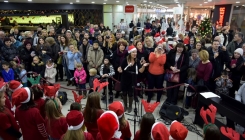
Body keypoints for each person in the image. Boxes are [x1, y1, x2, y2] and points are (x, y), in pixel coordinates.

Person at [118, 45, 148, 113]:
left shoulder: (137, 61)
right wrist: (119, 69)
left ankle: (130, 106)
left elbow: (140, 71)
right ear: (130, 53)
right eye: (133, 52)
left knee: (131, 94)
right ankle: (125, 105)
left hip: (132, 79)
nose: (135, 54)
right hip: (125, 79)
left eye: (136, 52)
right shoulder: (125, 60)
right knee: (124, 93)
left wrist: (143, 66)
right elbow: (121, 68)